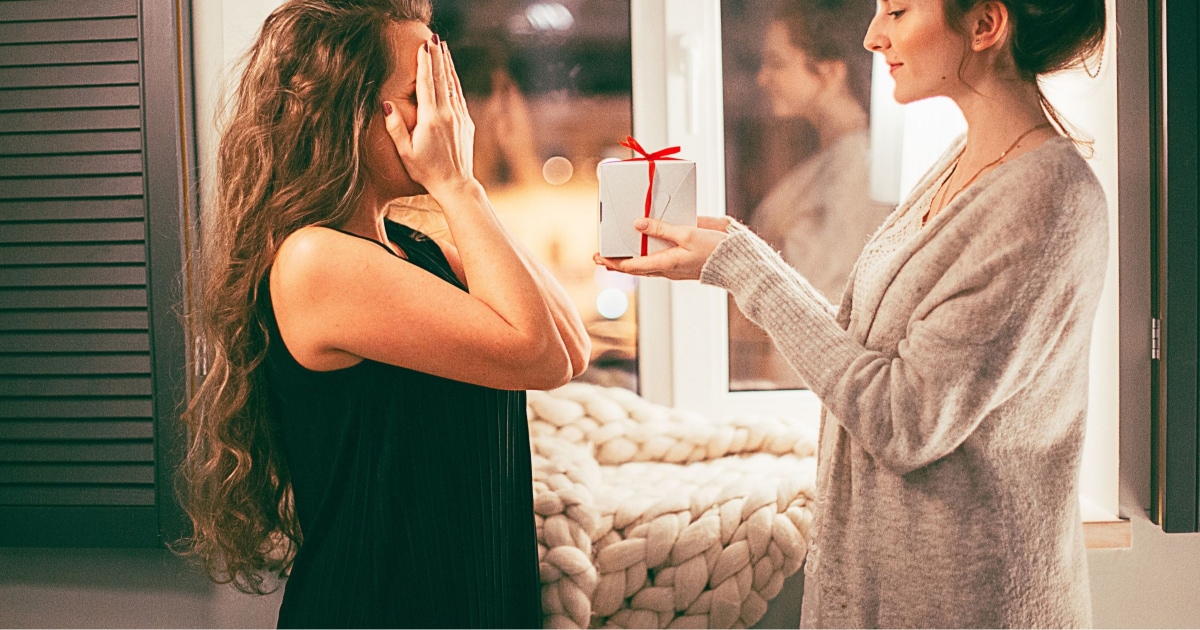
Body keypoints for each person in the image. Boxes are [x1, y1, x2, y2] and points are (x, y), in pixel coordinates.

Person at [597, 0, 1107, 626]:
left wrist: (744, 268)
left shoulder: (1046, 200)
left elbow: (903, 419)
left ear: (984, 26)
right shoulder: (963, 161)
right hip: (882, 591)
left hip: (967, 603)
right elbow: (862, 346)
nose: (872, 37)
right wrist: (727, 255)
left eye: (897, 10)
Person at [179, 0, 590, 627]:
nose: (448, 119)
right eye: (424, 93)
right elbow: (538, 355)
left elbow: (569, 346)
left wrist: (464, 191)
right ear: (348, 111)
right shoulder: (314, 261)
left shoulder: (416, 245)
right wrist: (458, 186)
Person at [732, 0, 893, 389]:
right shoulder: (829, 165)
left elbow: (821, 295)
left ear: (831, 72)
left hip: (805, 386)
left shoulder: (859, 172)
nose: (763, 77)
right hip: (787, 379)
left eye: (777, 62)